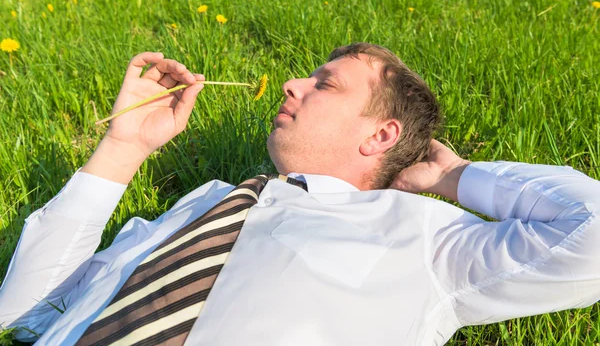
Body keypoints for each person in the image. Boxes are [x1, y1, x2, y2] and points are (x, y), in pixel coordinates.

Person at [0, 43, 599, 345]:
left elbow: (591, 232)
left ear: (381, 134)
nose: (290, 83)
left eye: (324, 83)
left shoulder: (419, 234)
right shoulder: (198, 207)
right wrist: (123, 148)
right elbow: (24, 314)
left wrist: (454, 177)